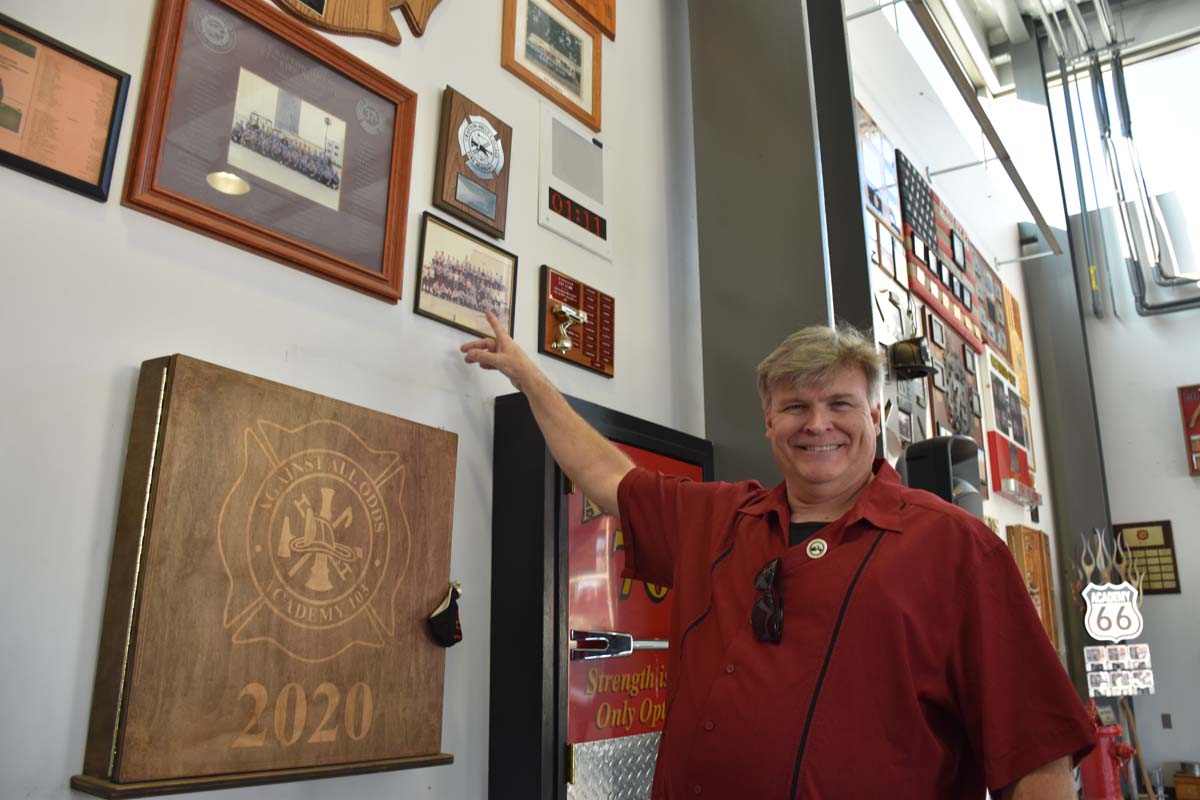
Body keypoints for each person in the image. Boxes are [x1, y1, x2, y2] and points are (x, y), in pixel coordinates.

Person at [463, 313, 1095, 799]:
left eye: (839, 404)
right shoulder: (718, 518)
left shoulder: (958, 548)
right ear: (769, 422)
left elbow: (1038, 753)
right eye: (795, 406)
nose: (816, 424)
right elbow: (605, 474)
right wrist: (526, 372)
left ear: (875, 417)